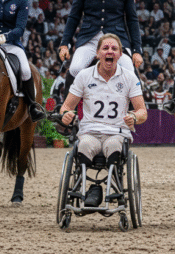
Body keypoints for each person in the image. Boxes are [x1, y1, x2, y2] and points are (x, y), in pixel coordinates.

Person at [59, 34, 147, 207]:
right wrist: (66, 114)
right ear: (97, 53)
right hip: (90, 132)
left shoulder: (129, 77)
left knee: (114, 146)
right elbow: (66, 106)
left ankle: (111, 189)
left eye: (114, 49)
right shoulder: (84, 76)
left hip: (117, 132)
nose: (110, 52)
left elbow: (142, 111)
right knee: (83, 146)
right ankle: (88, 189)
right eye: (105, 48)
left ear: (120, 54)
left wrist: (135, 117)